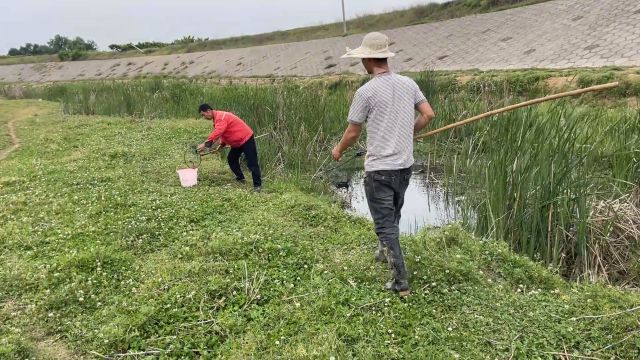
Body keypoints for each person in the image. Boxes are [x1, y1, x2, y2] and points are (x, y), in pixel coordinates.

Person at [332, 32, 436, 296]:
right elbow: (428, 114)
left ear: (368, 59)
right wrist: (410, 132)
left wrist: (338, 149)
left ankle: (401, 281)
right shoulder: (408, 84)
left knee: (385, 224)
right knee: (394, 213)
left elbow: (353, 132)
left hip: (380, 170)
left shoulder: (365, 92)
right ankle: (383, 251)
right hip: (404, 166)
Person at [197, 104, 262, 192]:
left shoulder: (220, 117)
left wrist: (205, 144)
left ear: (208, 111)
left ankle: (257, 186)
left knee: (252, 163)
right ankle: (240, 178)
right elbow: (224, 133)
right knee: (231, 159)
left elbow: (218, 132)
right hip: (237, 143)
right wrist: (222, 144)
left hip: (246, 139)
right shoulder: (217, 118)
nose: (204, 117)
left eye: (203, 115)